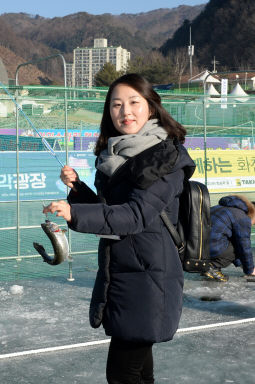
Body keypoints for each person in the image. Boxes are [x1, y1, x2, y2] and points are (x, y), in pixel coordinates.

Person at [43, 73, 195, 384]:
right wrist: (78, 190)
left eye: (133, 102)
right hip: (124, 271)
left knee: (122, 373)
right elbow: (109, 210)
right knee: (138, 370)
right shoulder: (116, 156)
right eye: (116, 105)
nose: (125, 111)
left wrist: (73, 214)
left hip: (150, 277)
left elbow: (135, 216)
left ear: (150, 108)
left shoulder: (167, 158)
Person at [203, 194, 255, 282]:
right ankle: (212, 267)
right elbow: (244, 247)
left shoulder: (220, 207)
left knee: (233, 241)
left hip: (198, 248)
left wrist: (241, 264)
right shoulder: (242, 217)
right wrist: (250, 270)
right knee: (239, 244)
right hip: (210, 247)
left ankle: (208, 266)